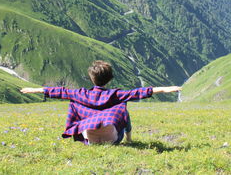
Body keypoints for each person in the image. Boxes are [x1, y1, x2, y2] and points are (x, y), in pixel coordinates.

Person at [20, 60, 181, 145]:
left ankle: (88, 135)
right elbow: (138, 93)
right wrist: (166, 88)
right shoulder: (115, 95)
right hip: (112, 140)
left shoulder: (81, 94)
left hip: (89, 140)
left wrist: (35, 90)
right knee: (123, 108)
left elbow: (61, 91)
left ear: (91, 78)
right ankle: (129, 138)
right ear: (110, 79)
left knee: (75, 103)